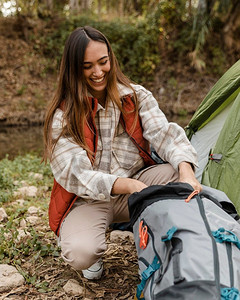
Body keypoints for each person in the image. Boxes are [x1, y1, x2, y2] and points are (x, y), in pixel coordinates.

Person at [43, 26, 202, 280]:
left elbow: (164, 134)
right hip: (89, 198)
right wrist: (126, 185)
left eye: (103, 62)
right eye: (87, 66)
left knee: (178, 176)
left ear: (111, 59)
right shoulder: (63, 115)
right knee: (82, 252)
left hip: (137, 185)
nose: (98, 72)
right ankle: (92, 252)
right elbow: (76, 174)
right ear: (74, 69)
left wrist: (186, 171)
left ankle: (168, 240)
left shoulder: (136, 96)